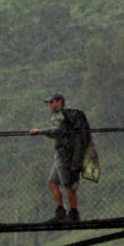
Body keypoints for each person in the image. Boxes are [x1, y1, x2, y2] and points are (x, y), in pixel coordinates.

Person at [29, 92, 92, 224]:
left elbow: (57, 132)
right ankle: (61, 211)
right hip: (61, 154)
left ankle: (73, 213)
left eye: (52, 102)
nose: (50, 105)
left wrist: (41, 132)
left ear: (59, 102)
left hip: (65, 155)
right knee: (52, 182)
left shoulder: (60, 115)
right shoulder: (68, 115)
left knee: (67, 184)